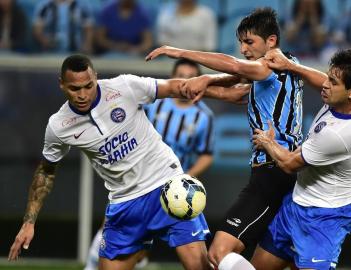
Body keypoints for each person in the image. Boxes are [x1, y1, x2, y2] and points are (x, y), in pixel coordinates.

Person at [7, 54, 249, 270]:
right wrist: (29, 222)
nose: (82, 94)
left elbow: (178, 87)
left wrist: (227, 86)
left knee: (198, 265)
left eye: (88, 86)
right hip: (124, 202)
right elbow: (46, 172)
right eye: (74, 88)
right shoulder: (59, 126)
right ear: (62, 85)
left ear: (96, 78)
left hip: (167, 186)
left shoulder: (123, 87)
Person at [146, 7, 303, 269]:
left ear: (271, 41)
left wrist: (180, 52)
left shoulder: (270, 69)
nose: (243, 48)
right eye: (241, 42)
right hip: (282, 174)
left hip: (272, 173)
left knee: (219, 253)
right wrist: (203, 83)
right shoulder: (287, 66)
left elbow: (233, 66)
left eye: (249, 42)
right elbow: (235, 84)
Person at [84, 58, 215, 270]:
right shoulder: (156, 105)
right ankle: (97, 261)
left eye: (190, 76)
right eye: (180, 75)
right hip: (138, 184)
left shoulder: (204, 116)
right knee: (114, 238)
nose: (184, 81)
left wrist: (187, 177)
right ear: (174, 77)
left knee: (196, 260)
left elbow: (207, 154)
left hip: (176, 186)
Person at [250, 48, 351, 269]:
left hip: (325, 218)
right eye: (328, 77)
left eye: (333, 82)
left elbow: (288, 164)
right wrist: (291, 65)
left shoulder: (339, 134)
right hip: (296, 204)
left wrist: (268, 142)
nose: (325, 85)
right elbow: (320, 82)